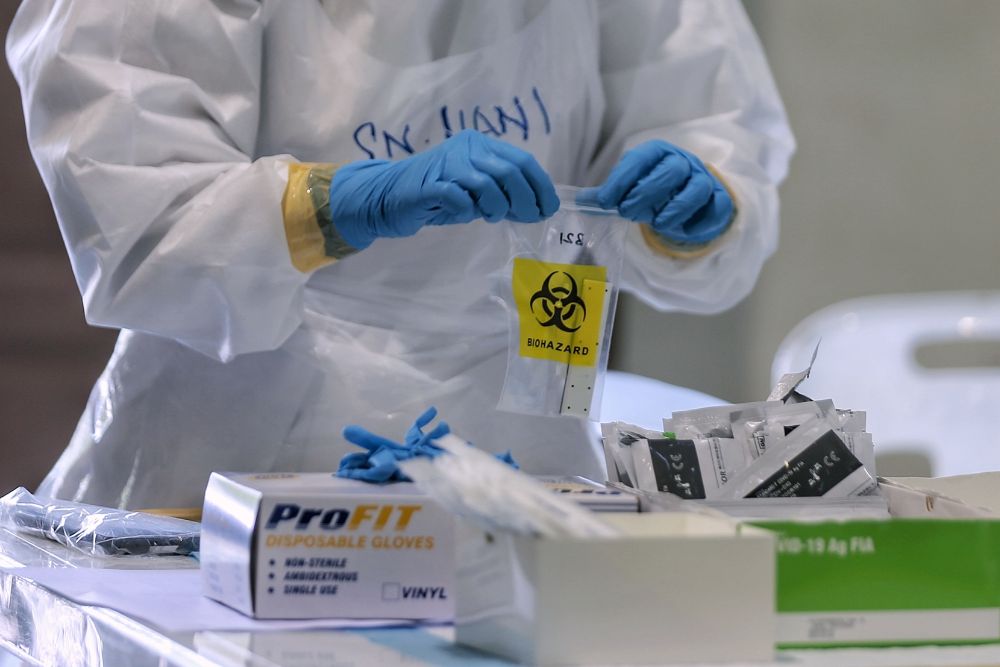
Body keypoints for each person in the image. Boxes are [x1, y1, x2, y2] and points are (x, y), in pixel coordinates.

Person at [6, 0, 794, 510]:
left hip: (523, 459)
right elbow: (139, 217)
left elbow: (712, 108)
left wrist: (699, 201)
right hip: (228, 463)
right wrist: (343, 201)